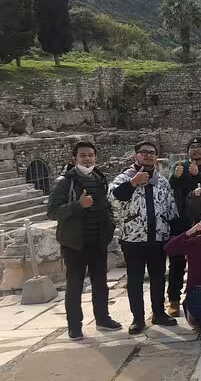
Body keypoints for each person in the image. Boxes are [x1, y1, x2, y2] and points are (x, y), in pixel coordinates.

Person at [47, 141, 121, 340]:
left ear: (95, 157)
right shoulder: (64, 182)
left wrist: (110, 225)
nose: (87, 159)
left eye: (90, 155)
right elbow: (53, 212)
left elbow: (106, 206)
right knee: (74, 285)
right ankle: (75, 326)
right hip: (74, 243)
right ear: (74, 159)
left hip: (97, 241)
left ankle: (103, 318)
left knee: (100, 283)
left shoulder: (99, 179)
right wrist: (78, 205)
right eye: (83, 155)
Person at [108, 141, 179, 334]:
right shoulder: (124, 178)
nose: (148, 156)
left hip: (158, 238)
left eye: (152, 153)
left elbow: (170, 207)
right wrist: (133, 183)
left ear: (156, 157)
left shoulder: (161, 181)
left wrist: (171, 232)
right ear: (136, 155)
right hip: (133, 239)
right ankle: (138, 318)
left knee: (158, 277)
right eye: (144, 152)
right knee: (135, 279)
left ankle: (159, 312)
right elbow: (113, 199)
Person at [167, 136, 201, 317]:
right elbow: (170, 185)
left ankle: (199, 297)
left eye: (200, 146)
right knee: (176, 261)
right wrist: (174, 175)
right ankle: (174, 299)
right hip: (181, 221)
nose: (196, 150)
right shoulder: (179, 167)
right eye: (192, 147)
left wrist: (198, 176)